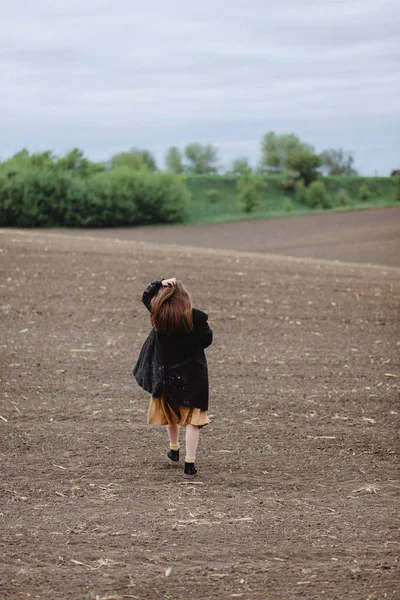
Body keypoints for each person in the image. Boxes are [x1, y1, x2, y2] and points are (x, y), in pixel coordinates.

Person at [133, 278, 213, 479]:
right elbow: (207, 340)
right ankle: (189, 465)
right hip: (193, 377)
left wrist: (160, 283)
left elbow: (145, 296)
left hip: (166, 376)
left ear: (164, 298)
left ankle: (174, 449)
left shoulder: (159, 316)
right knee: (192, 422)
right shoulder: (196, 318)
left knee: (172, 415)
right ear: (185, 298)